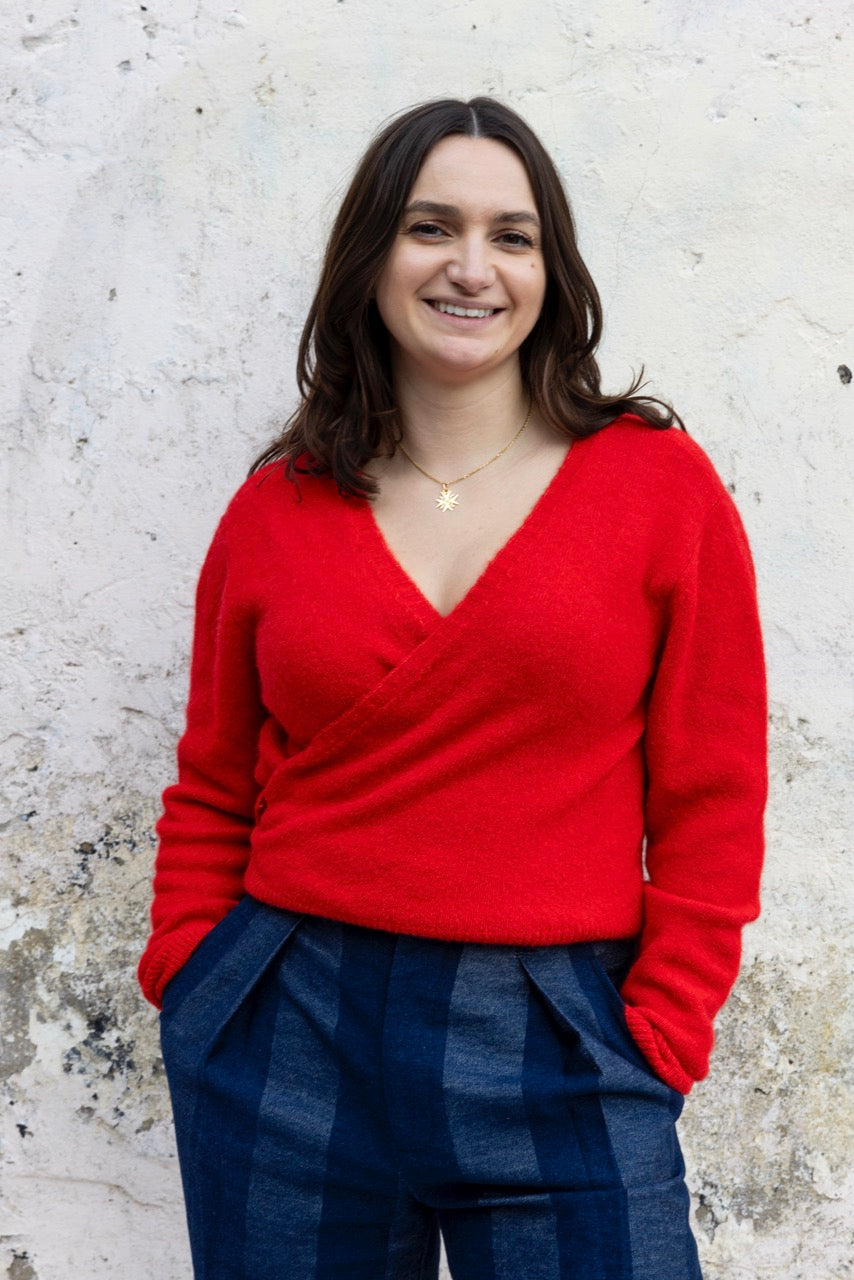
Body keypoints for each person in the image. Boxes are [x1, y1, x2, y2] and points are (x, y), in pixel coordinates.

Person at [138, 97, 767, 1280]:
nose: (470, 267)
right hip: (288, 1018)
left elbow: (712, 792)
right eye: (430, 227)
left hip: (555, 1024)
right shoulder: (278, 504)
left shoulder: (657, 488)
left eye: (509, 236)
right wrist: (194, 974)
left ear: (549, 268)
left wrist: (662, 1026)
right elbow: (213, 776)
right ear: (371, 256)